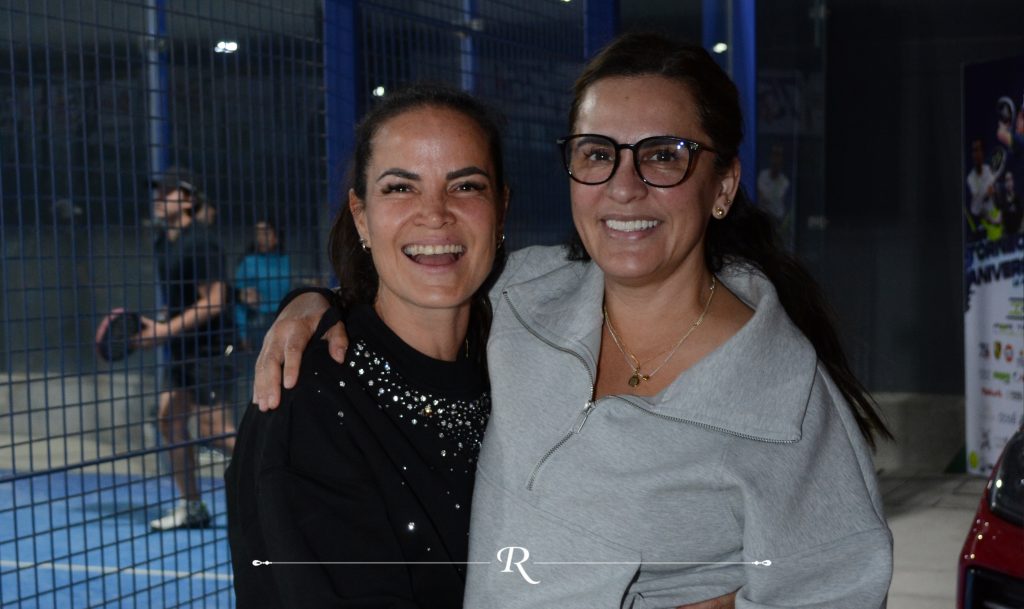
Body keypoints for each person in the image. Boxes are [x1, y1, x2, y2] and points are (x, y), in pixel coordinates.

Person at [255, 33, 893, 608]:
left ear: (722, 185)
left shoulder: (789, 409)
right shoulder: (522, 297)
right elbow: (428, 269)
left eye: (663, 155)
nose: (624, 186)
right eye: (597, 153)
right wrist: (316, 304)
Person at [225, 83, 510, 608]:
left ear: (501, 208)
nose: (435, 213)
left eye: (466, 186)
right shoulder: (310, 403)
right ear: (361, 215)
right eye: (401, 188)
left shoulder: (519, 357)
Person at [134, 166, 237, 530]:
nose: (159, 197)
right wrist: (158, 324)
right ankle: (192, 506)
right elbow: (181, 300)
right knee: (169, 420)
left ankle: (291, 481)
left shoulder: (201, 242)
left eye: (168, 191)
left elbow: (215, 300)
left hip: (210, 350)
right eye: (157, 191)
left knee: (216, 431)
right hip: (182, 350)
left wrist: (164, 331)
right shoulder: (164, 243)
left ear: (189, 199)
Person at [234, 219, 293, 350]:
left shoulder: (285, 260)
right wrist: (242, 335)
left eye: (265, 233)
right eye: (258, 233)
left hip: (283, 319)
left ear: (276, 237)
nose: (260, 237)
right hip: (257, 323)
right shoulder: (248, 262)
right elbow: (239, 301)